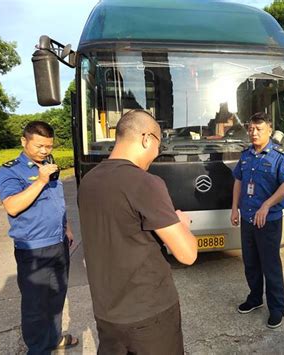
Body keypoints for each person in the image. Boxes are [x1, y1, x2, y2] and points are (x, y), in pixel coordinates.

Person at [78, 109, 198, 355]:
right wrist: (182, 224)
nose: (156, 154)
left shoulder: (88, 181)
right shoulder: (145, 182)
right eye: (159, 145)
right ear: (146, 138)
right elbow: (187, 254)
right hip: (148, 314)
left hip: (106, 312)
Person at [0, 121, 78, 354]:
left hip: (58, 243)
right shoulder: (10, 171)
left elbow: (56, 202)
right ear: (24, 141)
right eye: (39, 146)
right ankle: (38, 350)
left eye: (49, 146)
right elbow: (12, 206)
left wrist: (67, 227)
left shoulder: (49, 165)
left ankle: (53, 339)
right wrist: (40, 180)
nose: (44, 151)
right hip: (33, 249)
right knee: (35, 305)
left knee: (56, 297)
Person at [231, 112, 284, 329]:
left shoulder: (280, 156)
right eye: (250, 129)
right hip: (248, 218)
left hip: (268, 220)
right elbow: (238, 181)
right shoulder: (246, 155)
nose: (254, 133)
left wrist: (267, 205)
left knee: (270, 264)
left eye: (259, 129)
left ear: (269, 129)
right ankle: (255, 298)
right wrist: (234, 209)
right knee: (250, 261)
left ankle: (277, 308)